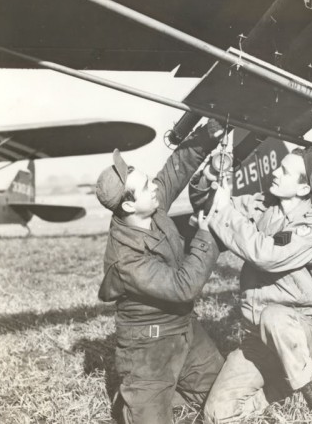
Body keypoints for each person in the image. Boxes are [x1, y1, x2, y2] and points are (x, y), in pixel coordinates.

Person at [95, 121, 225, 424]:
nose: (155, 186)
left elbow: (175, 169)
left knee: (224, 393)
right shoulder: (126, 259)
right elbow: (184, 286)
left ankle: (165, 391)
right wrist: (207, 235)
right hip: (148, 349)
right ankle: (136, 399)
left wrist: (206, 136)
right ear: (128, 206)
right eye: (145, 186)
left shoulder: (150, 207)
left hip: (184, 330)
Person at [199, 144, 312, 423]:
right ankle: (283, 387)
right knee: (217, 414)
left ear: (303, 190)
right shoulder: (262, 204)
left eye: (285, 171)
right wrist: (213, 179)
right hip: (259, 339)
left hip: (302, 333)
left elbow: (267, 255)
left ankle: (309, 384)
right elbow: (212, 206)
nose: (275, 172)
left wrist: (226, 210)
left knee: (273, 316)